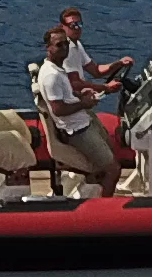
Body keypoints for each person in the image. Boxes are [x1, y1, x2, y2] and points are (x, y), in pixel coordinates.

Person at [31, 23, 120, 197]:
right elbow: (58, 109)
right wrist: (84, 104)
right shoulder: (51, 76)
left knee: (109, 155)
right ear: (48, 48)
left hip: (83, 121)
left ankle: (94, 193)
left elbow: (65, 96)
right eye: (59, 45)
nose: (64, 48)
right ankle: (105, 210)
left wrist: (80, 94)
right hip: (77, 131)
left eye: (66, 44)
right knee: (113, 169)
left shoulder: (57, 69)